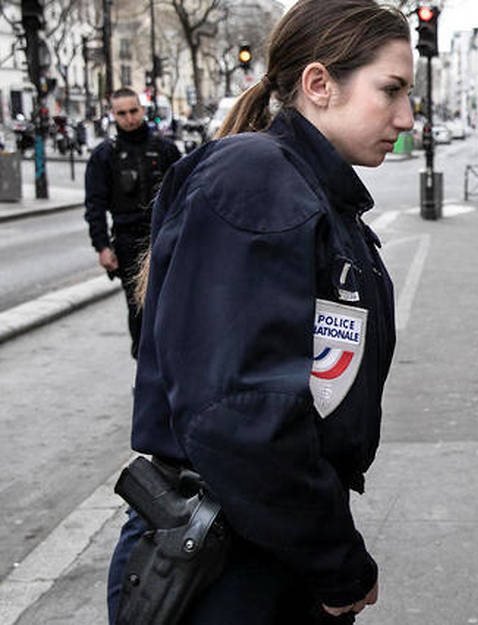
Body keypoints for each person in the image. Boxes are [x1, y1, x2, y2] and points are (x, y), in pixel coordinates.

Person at [106, 1, 412, 622]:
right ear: (320, 84)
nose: (407, 117)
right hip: (229, 561)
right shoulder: (258, 178)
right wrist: (336, 561)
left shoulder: (308, 189)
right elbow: (240, 415)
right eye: (392, 91)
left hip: (261, 541)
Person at [84, 87, 182, 359]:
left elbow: (184, 197)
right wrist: (102, 247)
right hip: (128, 242)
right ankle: (145, 375)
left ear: (142, 109)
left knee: (170, 309)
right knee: (138, 312)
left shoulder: (165, 150)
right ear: (113, 116)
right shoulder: (105, 155)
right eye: (121, 113)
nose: (128, 118)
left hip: (164, 239)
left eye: (133, 111)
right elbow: (95, 205)